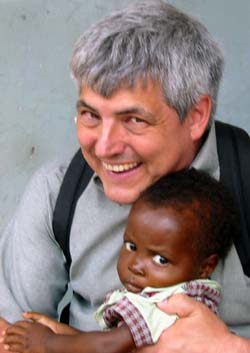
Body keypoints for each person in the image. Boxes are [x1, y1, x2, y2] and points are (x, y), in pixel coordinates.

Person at [0, 1, 249, 352]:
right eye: (90, 115)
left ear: (196, 115)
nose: (103, 148)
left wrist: (231, 348)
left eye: (134, 120)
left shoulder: (245, 178)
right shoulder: (58, 192)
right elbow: (9, 329)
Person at [1, 169, 238, 353]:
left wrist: (47, 342)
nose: (135, 265)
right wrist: (61, 332)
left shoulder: (165, 306)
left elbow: (107, 347)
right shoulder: (191, 298)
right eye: (131, 246)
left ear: (206, 266)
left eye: (160, 259)